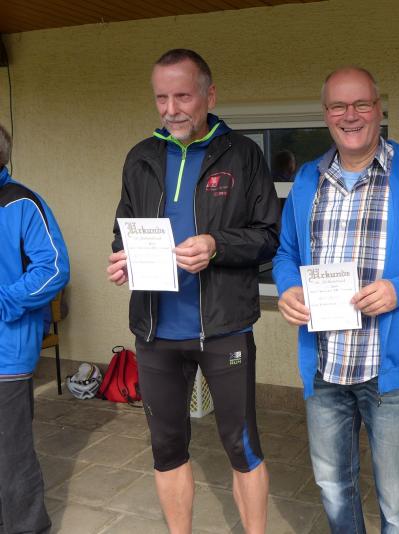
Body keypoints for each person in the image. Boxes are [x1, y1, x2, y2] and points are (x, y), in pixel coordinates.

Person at [272, 67, 399, 533]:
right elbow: (286, 254)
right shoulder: (307, 180)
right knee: (332, 486)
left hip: (388, 371)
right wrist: (287, 287)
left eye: (361, 104)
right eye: (338, 106)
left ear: (379, 109)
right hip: (324, 366)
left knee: (396, 502)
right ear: (326, 114)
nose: (350, 115)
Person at [106, 49, 279, 534]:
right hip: (156, 331)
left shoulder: (243, 155)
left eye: (182, 96)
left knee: (241, 446)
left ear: (210, 95)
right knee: (166, 449)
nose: (171, 109)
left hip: (224, 328)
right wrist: (122, 259)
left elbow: (269, 236)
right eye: (161, 98)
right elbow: (123, 230)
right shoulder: (140, 157)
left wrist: (216, 244)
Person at [0, 122, 70, 534]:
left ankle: (27, 527)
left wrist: (5, 300)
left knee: (11, 452)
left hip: (7, 348)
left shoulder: (23, 203)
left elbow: (54, 268)